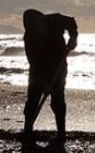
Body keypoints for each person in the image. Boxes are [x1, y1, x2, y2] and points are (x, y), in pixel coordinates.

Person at [22, 9, 79, 141]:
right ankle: (27, 129)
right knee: (33, 100)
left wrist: (73, 37)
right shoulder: (30, 37)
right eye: (32, 27)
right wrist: (44, 82)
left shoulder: (55, 20)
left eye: (38, 25)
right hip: (38, 70)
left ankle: (61, 132)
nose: (37, 29)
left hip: (58, 67)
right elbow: (34, 62)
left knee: (57, 100)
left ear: (42, 19)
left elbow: (71, 22)